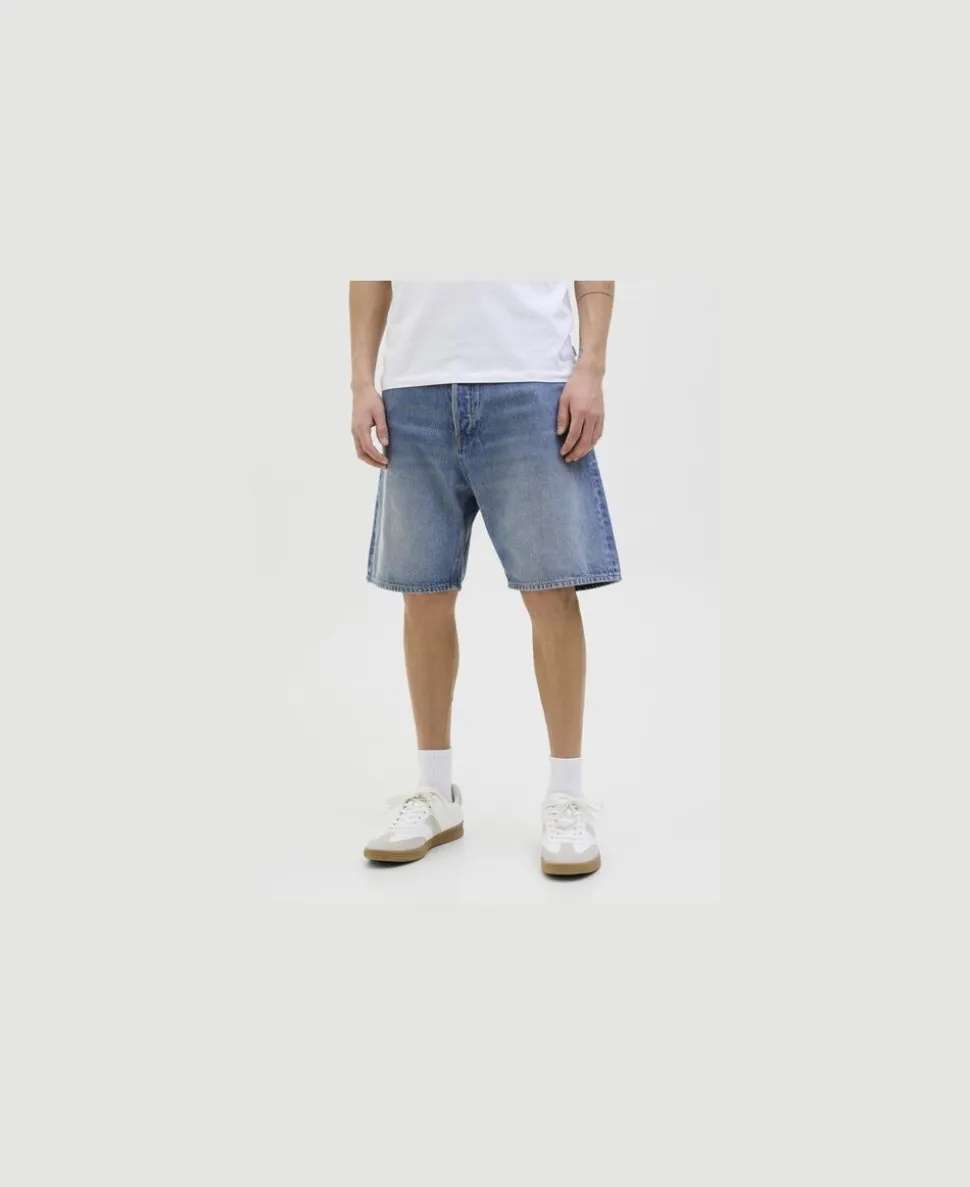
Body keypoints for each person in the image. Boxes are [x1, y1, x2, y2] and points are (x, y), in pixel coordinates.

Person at [349, 281, 621, 876]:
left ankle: (566, 795)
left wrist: (592, 366)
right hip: (413, 391)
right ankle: (435, 792)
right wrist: (362, 382)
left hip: (533, 380)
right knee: (423, 595)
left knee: (551, 594)